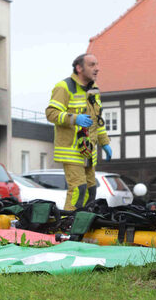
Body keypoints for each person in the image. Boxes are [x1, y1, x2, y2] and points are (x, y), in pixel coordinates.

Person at [45, 53, 112, 211]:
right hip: (71, 150)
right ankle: (69, 225)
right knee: (78, 188)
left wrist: (105, 143)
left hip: (88, 150)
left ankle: (84, 224)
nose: (97, 68)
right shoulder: (64, 87)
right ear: (79, 68)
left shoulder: (94, 90)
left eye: (97, 64)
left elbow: (97, 121)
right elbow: (51, 114)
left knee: (91, 190)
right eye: (92, 65)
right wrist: (75, 118)